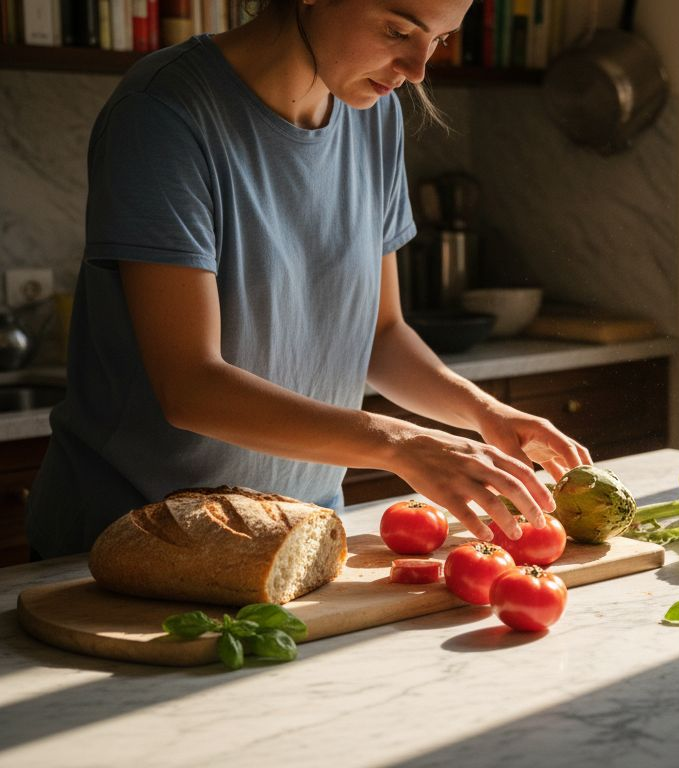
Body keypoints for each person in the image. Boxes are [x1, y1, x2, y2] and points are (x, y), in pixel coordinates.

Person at [25, 0, 590, 559]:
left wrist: (484, 413)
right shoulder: (162, 113)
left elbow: (380, 335)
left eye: (439, 40)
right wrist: (400, 442)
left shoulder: (374, 112)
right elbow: (190, 387)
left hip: (295, 535)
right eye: (398, 31)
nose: (418, 70)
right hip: (135, 540)